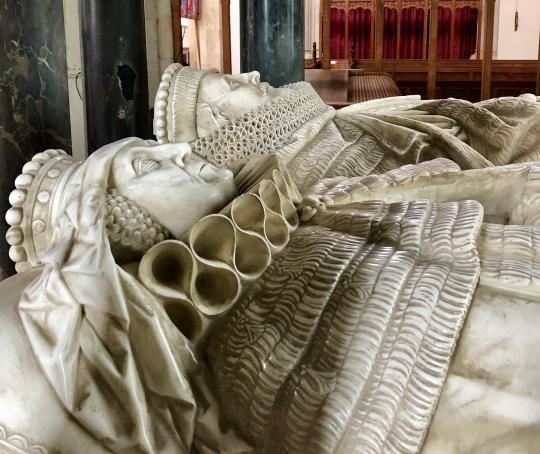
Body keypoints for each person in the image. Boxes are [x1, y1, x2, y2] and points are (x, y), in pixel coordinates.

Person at [1, 67, 540, 453]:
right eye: (146, 164)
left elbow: (445, 187)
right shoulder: (102, 360)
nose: (186, 150)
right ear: (121, 234)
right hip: (397, 379)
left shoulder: (291, 198)